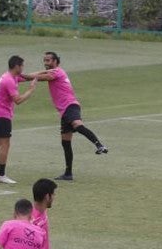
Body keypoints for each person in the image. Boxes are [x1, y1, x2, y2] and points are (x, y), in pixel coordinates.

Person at [24, 51, 108, 181]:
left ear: (56, 61)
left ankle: (99, 145)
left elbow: (41, 77)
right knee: (66, 142)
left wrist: (21, 76)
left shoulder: (57, 72)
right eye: (44, 60)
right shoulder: (53, 71)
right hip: (64, 111)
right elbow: (40, 73)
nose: (46, 63)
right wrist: (23, 76)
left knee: (78, 125)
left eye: (48, 60)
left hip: (70, 106)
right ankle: (68, 174)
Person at [0, 55, 37, 185]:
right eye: (22, 66)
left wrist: (41, 75)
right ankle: (1, 175)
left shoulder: (8, 76)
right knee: (5, 143)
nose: (23, 68)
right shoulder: (9, 81)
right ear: (17, 66)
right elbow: (18, 100)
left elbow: (27, 76)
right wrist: (31, 89)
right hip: (2, 115)